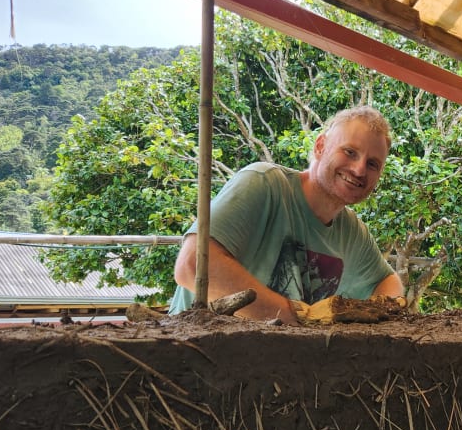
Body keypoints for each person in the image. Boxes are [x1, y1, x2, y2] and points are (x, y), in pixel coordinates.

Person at [170, 106, 404, 324]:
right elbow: (193, 264)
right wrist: (301, 317)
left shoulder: (352, 231)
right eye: (350, 152)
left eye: (373, 164)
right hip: (192, 351)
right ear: (320, 146)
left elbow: (388, 283)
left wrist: (366, 315)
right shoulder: (264, 184)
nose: (359, 169)